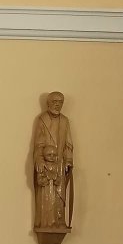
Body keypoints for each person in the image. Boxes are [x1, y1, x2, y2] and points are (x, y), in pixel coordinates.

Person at [33, 91, 73, 230]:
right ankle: (46, 222)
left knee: (59, 194)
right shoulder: (42, 120)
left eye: (60, 102)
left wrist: (68, 160)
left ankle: (59, 221)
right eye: (55, 101)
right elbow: (38, 144)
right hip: (45, 162)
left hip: (59, 163)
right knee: (46, 193)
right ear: (48, 103)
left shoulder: (65, 121)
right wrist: (39, 160)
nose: (57, 105)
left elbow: (68, 143)